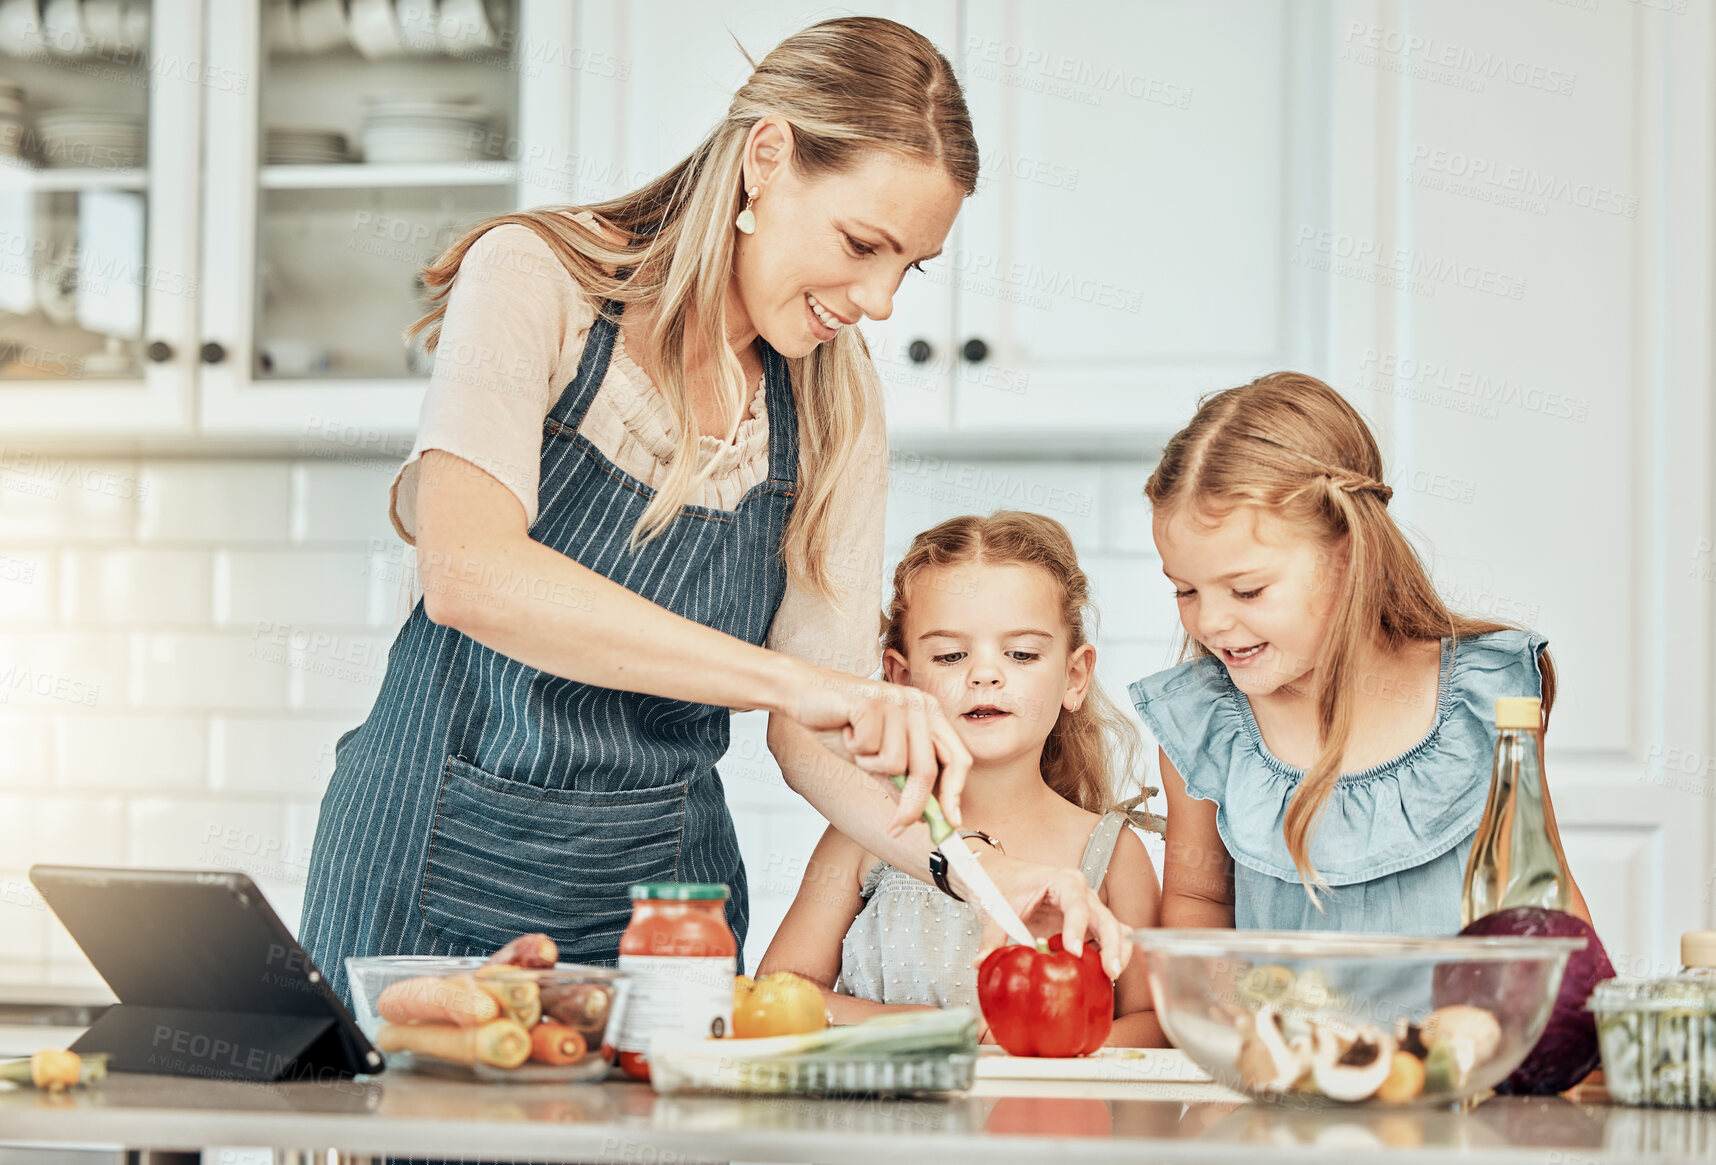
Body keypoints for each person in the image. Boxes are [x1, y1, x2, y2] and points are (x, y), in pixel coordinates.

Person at [300, 18, 1131, 1008]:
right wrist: (791, 682)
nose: (877, 300)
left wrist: (979, 876)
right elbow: (471, 574)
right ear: (767, 158)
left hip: (668, 911)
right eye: (862, 244)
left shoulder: (833, 401)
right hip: (431, 880)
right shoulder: (534, 279)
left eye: (907, 266)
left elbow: (816, 735)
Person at [1131, 372, 1592, 932]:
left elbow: (1545, 896)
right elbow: (1198, 904)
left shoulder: (1488, 694)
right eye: (1185, 590)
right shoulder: (1204, 724)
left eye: (1248, 590)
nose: (1210, 621)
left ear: (1348, 554)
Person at [761, 513, 1164, 1044]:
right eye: (951, 655)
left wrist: (1038, 1050)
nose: (985, 674)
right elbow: (778, 991)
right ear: (900, 680)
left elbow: (1155, 1023)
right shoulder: (865, 833)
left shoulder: (1112, 852)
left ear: (1074, 676)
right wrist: (937, 1030)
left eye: (1021, 654)